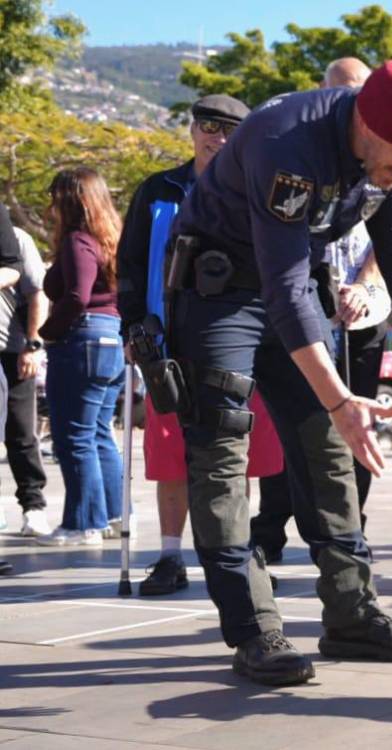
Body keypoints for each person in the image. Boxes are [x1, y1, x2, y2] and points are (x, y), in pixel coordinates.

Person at [163, 60, 392, 685]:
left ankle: (351, 616)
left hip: (293, 287)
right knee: (223, 448)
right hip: (221, 291)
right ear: (366, 120)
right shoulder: (287, 141)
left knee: (328, 453)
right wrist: (341, 398)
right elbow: (282, 288)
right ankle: (256, 633)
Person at [116, 94, 286, 594]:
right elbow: (128, 263)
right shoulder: (159, 190)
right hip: (168, 341)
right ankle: (170, 555)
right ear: (192, 130)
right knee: (170, 451)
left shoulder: (258, 191)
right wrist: (133, 325)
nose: (219, 137)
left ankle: (239, 555)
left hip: (239, 341)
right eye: (209, 126)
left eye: (232, 130)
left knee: (238, 452)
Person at [249, 59, 379, 563]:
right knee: (291, 425)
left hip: (353, 308)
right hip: (276, 296)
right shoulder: (297, 145)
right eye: (342, 93)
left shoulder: (384, 160)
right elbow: (286, 275)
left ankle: (347, 550)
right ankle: (267, 535)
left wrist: (364, 288)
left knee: (340, 431)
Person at [34, 168, 125, 547]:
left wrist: (46, 334)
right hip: (112, 339)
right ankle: (113, 516)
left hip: (82, 341)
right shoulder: (110, 238)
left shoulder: (77, 241)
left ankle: (82, 522)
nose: (51, 206)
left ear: (69, 200)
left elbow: (76, 297)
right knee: (100, 433)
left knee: (74, 438)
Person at [1, 214, 50, 538]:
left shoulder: (16, 239)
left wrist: (33, 344)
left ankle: (33, 506)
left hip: (11, 348)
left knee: (20, 431)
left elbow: (37, 293)